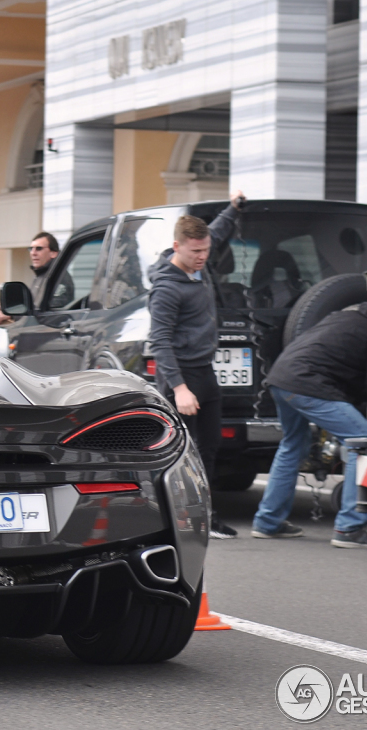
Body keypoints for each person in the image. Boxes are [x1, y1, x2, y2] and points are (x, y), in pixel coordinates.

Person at [251, 303, 367, 548]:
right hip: (308, 384)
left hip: (281, 377)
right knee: (364, 443)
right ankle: (350, 528)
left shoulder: (344, 316)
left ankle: (268, 523)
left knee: (292, 444)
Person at [147, 192, 245, 539]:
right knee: (181, 454)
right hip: (182, 380)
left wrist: (233, 208)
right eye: (196, 252)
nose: (203, 256)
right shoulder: (167, 289)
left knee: (212, 445)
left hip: (205, 371)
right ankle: (175, 520)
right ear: (178, 246)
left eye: (205, 250)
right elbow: (160, 342)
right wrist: (179, 389)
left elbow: (215, 233)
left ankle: (205, 515)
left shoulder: (199, 262)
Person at [0, 231, 61, 325]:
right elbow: (32, 309)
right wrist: (8, 309)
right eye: (31, 249)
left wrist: (12, 315)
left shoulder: (58, 278)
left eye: (39, 248)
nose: (33, 253)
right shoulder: (40, 276)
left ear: (53, 253)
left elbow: (49, 316)